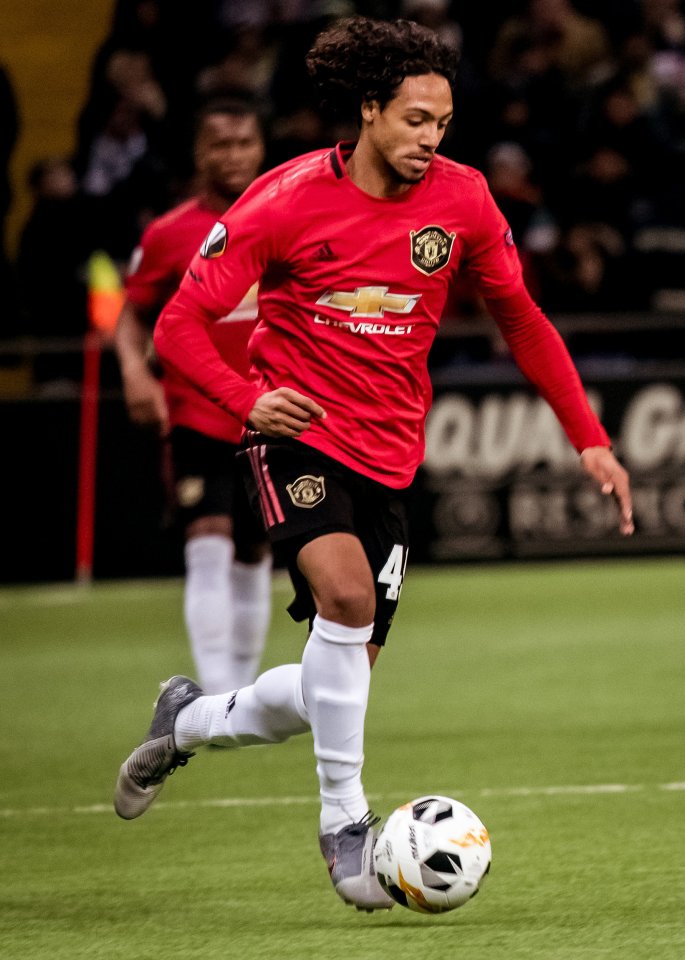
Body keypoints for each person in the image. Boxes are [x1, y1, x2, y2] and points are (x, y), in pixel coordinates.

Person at [114, 16, 634, 913]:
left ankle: (187, 719)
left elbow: (522, 319)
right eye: (415, 120)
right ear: (368, 111)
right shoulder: (280, 201)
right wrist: (246, 402)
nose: (432, 140)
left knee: (330, 688)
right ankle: (344, 827)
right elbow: (175, 327)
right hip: (295, 435)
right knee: (346, 601)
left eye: (442, 122)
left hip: (391, 459)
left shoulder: (465, 201)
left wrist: (588, 433)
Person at [114, 93, 272, 694]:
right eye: (220, 144)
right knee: (208, 539)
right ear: (198, 152)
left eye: (244, 143)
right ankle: (218, 695)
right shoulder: (169, 235)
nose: (233, 156)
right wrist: (133, 370)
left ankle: (240, 691)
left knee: (256, 550)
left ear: (261, 148)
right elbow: (130, 314)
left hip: (272, 412)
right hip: (198, 411)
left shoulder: (289, 218)